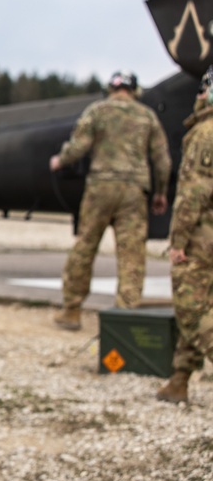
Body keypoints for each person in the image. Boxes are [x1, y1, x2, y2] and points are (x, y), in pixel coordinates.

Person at [49, 70, 172, 330]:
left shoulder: (97, 111)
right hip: (134, 191)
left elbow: (79, 146)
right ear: (134, 90)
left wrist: (60, 160)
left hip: (100, 188)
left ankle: (71, 310)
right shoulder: (146, 116)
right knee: (131, 253)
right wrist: (160, 192)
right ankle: (126, 315)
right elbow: (162, 161)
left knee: (85, 246)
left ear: (112, 88)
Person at [156, 66, 213, 403]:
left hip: (201, 240)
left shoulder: (205, 133)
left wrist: (178, 242)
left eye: (203, 89)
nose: (198, 96)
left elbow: (193, 194)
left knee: (192, 311)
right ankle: (179, 380)